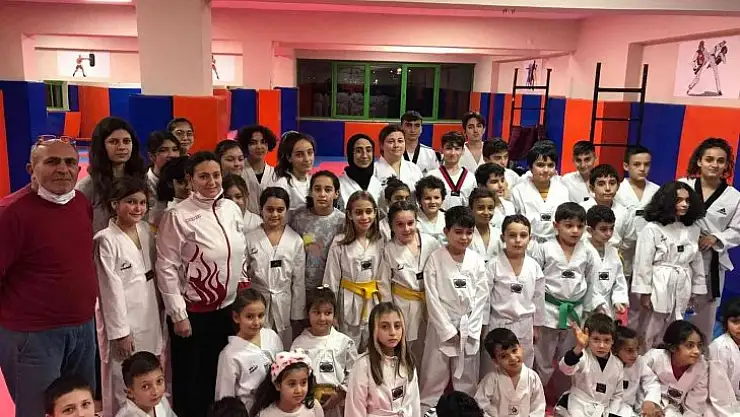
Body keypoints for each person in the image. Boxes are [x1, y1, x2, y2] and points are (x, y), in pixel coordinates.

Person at [0, 138, 97, 417]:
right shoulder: (10, 213)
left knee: (80, 408)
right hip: (33, 335)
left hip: (82, 327)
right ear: (31, 169)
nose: (63, 169)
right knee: (36, 410)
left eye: (70, 162)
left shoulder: (80, 203)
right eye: (52, 162)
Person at [156, 151, 247, 417]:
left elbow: (240, 252)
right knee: (191, 381)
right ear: (190, 179)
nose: (212, 182)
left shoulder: (231, 209)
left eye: (216, 175)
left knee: (220, 375)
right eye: (204, 176)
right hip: (193, 314)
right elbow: (166, 267)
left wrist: (242, 292)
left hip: (228, 310)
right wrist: (178, 314)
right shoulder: (177, 216)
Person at [94, 177, 163, 417]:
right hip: (123, 319)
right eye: (131, 202)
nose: (138, 208)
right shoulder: (105, 239)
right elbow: (109, 290)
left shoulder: (146, 230)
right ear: (115, 204)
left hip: (149, 311)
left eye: (142, 203)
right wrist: (120, 332)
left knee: (150, 373)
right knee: (122, 378)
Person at [419, 206, 489, 411]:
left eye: (469, 232)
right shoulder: (435, 259)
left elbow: (481, 297)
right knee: (433, 375)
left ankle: (466, 411)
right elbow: (432, 297)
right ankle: (427, 410)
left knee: (467, 377)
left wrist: (472, 328)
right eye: (458, 232)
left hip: (467, 324)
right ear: (446, 231)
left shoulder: (476, 260)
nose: (464, 238)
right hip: (441, 326)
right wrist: (448, 330)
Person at [632, 182, 706, 349]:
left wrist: (696, 289)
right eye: (679, 200)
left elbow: (696, 261)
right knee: (651, 326)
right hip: (659, 282)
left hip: (682, 280)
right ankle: (645, 358)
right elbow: (643, 262)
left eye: (687, 200)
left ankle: (669, 358)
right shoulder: (652, 229)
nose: (684, 204)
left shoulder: (693, 229)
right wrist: (644, 292)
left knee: (676, 327)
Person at [530, 202, 597, 388]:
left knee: (569, 358)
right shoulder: (544, 248)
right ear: (556, 225)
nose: (575, 231)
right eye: (569, 225)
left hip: (575, 313)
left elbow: (591, 282)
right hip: (548, 311)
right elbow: (534, 282)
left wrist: (589, 312)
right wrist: (534, 317)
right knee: (542, 359)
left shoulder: (588, 251)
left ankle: (564, 395)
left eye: (580, 226)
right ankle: (538, 393)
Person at [679, 138, 740, 340]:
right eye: (709, 159)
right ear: (699, 161)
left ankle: (701, 355)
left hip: (710, 262)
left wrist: (716, 237)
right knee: (671, 317)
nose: (715, 165)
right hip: (679, 260)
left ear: (726, 165)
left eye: (720, 161)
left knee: (704, 322)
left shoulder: (734, 197)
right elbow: (666, 217)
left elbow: (738, 230)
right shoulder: (682, 186)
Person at [378, 200, 441, 361]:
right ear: (391, 226)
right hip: (403, 305)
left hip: (430, 302)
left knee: (430, 348)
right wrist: (389, 313)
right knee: (406, 348)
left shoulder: (432, 243)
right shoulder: (389, 250)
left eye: (410, 223)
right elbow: (384, 284)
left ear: (417, 221)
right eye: (400, 224)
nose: (406, 229)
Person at [244, 187, 306, 347]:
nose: (274, 214)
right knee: (257, 345)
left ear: (287, 211)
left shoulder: (295, 240)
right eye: (269, 209)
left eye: (280, 210)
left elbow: (298, 281)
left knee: (283, 346)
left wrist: (297, 314)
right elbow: (243, 275)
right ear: (261, 209)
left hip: (283, 301)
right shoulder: (250, 239)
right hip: (257, 300)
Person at [323, 191, 384, 350]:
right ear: (349, 214)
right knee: (348, 348)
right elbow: (331, 279)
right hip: (348, 302)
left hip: (374, 300)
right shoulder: (340, 242)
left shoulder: (381, 240)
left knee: (373, 348)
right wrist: (331, 312)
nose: (364, 217)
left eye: (368, 212)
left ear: (375, 213)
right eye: (358, 212)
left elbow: (385, 278)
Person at [484, 215, 544, 369]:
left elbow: (538, 298)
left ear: (530, 238)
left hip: (525, 324)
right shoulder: (493, 265)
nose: (518, 240)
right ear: (502, 237)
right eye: (512, 235)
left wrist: (536, 326)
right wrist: (484, 326)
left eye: (523, 235)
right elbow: (485, 300)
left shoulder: (534, 266)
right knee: (495, 367)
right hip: (499, 323)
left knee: (523, 365)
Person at [291, 287, 358, 417]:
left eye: (328, 313)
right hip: (307, 402)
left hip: (337, 402)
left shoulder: (345, 342)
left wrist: (341, 393)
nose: (322, 318)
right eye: (316, 312)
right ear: (308, 313)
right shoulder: (299, 344)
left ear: (334, 314)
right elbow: (293, 375)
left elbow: (354, 373)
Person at [345, 302, 421, 417]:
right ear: (374, 330)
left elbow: (414, 405)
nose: (392, 332)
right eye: (385, 327)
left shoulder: (407, 361)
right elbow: (355, 409)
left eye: (397, 326)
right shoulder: (363, 365)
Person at [614, 146, 659, 330]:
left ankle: (635, 337)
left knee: (641, 299)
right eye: (637, 164)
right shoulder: (617, 190)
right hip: (623, 251)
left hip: (648, 253)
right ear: (626, 166)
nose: (642, 168)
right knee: (617, 297)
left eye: (646, 164)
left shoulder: (657, 191)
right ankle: (616, 335)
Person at [215, 289, 283, 411]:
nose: (256, 322)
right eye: (249, 317)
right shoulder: (229, 355)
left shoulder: (271, 336)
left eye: (260, 316)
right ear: (236, 317)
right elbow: (225, 398)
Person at [77, 116, 147, 234]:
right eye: (114, 142)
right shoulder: (87, 187)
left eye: (126, 141)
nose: (122, 147)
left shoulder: (142, 179)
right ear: (101, 146)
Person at [289, 171, 345, 308]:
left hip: (333, 287)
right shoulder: (299, 219)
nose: (322, 194)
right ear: (311, 192)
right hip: (303, 287)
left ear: (336, 193)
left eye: (328, 190)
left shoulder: (343, 221)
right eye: (317, 189)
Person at [555, 313, 624, 417]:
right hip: (578, 405)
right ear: (588, 338)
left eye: (606, 340)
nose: (601, 345)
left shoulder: (617, 364)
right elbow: (565, 368)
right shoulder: (582, 356)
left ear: (613, 341)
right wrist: (579, 347)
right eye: (596, 339)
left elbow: (617, 395)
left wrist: (612, 414)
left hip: (603, 410)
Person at [643, 320, 708, 417]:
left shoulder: (702, 366)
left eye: (699, 345)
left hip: (674, 411)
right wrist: (651, 402)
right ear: (673, 348)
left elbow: (695, 405)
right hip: (646, 405)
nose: (697, 351)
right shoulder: (654, 358)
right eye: (690, 346)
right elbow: (636, 385)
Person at [475, 328, 545, 417]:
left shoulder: (532, 377)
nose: (512, 358)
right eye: (504, 356)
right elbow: (479, 406)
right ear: (495, 360)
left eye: (514, 350)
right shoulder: (491, 379)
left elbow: (538, 407)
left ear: (520, 347)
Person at [511, 143, 570, 243]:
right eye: (540, 165)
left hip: (556, 242)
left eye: (550, 165)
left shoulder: (562, 189)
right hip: (527, 242)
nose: (546, 170)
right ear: (530, 167)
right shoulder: (518, 191)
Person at [582, 205, 629, 319]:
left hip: (607, 306)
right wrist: (597, 302)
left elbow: (619, 280)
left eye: (611, 228)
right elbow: (579, 283)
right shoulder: (581, 251)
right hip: (587, 306)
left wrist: (618, 299)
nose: (608, 233)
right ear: (590, 230)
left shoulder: (613, 251)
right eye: (603, 229)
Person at [250, 350, 322, 417]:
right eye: (292, 384)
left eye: (303, 383)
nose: (299, 390)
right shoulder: (265, 414)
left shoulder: (314, 407)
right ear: (277, 385)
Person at [611, 325, 663, 417]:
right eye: (629, 350)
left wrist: (650, 400)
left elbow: (652, 382)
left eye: (637, 349)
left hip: (629, 409)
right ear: (615, 349)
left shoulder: (639, 362)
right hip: (610, 408)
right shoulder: (608, 364)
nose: (635, 354)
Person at [580, 164, 633, 249]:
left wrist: (614, 252)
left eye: (612, 183)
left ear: (618, 186)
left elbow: (629, 241)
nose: (608, 188)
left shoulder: (624, 212)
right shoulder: (582, 210)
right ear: (592, 188)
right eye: (601, 184)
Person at [266, 131, 316, 213]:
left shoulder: (312, 180)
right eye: (299, 155)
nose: (307, 159)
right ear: (289, 157)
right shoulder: (281, 184)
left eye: (310, 153)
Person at [707, 297, 740, 417]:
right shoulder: (719, 347)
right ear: (725, 322)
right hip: (722, 404)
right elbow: (718, 391)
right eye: (735, 322)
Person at [115, 351, 175, 417]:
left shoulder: (162, 400)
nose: (156, 391)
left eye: (159, 381)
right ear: (130, 392)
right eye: (145, 386)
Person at [428, 132, 477, 210]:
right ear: (442, 149)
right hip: (438, 217)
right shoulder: (432, 176)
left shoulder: (470, 177)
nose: (453, 153)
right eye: (449, 148)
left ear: (463, 151)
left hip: (463, 217)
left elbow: (473, 205)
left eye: (457, 149)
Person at [237, 125, 278, 215]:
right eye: (253, 143)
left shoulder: (275, 174)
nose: (259, 147)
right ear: (245, 146)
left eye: (263, 142)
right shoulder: (239, 171)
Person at [375, 124, 423, 195]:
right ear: (381, 145)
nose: (396, 145)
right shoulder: (374, 170)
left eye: (400, 141)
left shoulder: (414, 169)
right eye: (391, 141)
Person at [145, 131, 181, 226]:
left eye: (175, 149)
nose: (171, 155)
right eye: (163, 150)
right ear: (151, 156)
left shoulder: (185, 180)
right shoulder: (142, 183)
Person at [338, 134, 382, 210]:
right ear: (351, 154)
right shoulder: (339, 184)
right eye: (358, 151)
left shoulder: (377, 183)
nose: (364, 156)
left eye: (368, 150)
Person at [468, 188, 502, 263]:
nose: (486, 212)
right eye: (480, 208)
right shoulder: (465, 235)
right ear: (471, 209)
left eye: (490, 208)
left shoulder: (499, 234)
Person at [415, 176, 447, 245]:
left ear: (442, 199)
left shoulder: (447, 218)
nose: (432, 202)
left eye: (436, 197)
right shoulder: (413, 220)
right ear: (419, 200)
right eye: (427, 198)